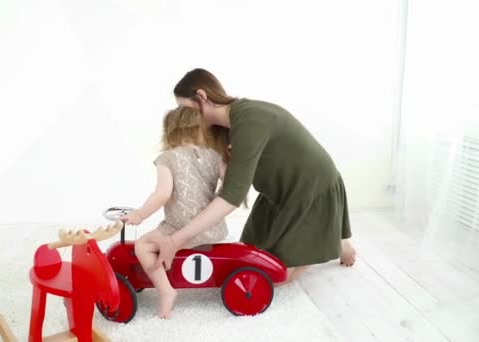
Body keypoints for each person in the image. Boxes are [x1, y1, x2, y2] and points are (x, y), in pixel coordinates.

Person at [147, 68, 357, 284]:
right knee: (250, 259)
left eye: (184, 108)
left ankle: (331, 239)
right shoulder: (224, 127)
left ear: (202, 96)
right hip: (277, 195)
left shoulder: (250, 120)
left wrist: (176, 240)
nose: (181, 115)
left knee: (277, 277)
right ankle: (329, 238)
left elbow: (232, 196)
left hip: (310, 189)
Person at [123, 106, 228, 319]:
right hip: (214, 227)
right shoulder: (214, 155)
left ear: (170, 131)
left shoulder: (168, 158)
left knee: (143, 245)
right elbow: (229, 185)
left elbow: (162, 194)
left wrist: (139, 215)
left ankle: (166, 291)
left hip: (180, 228)